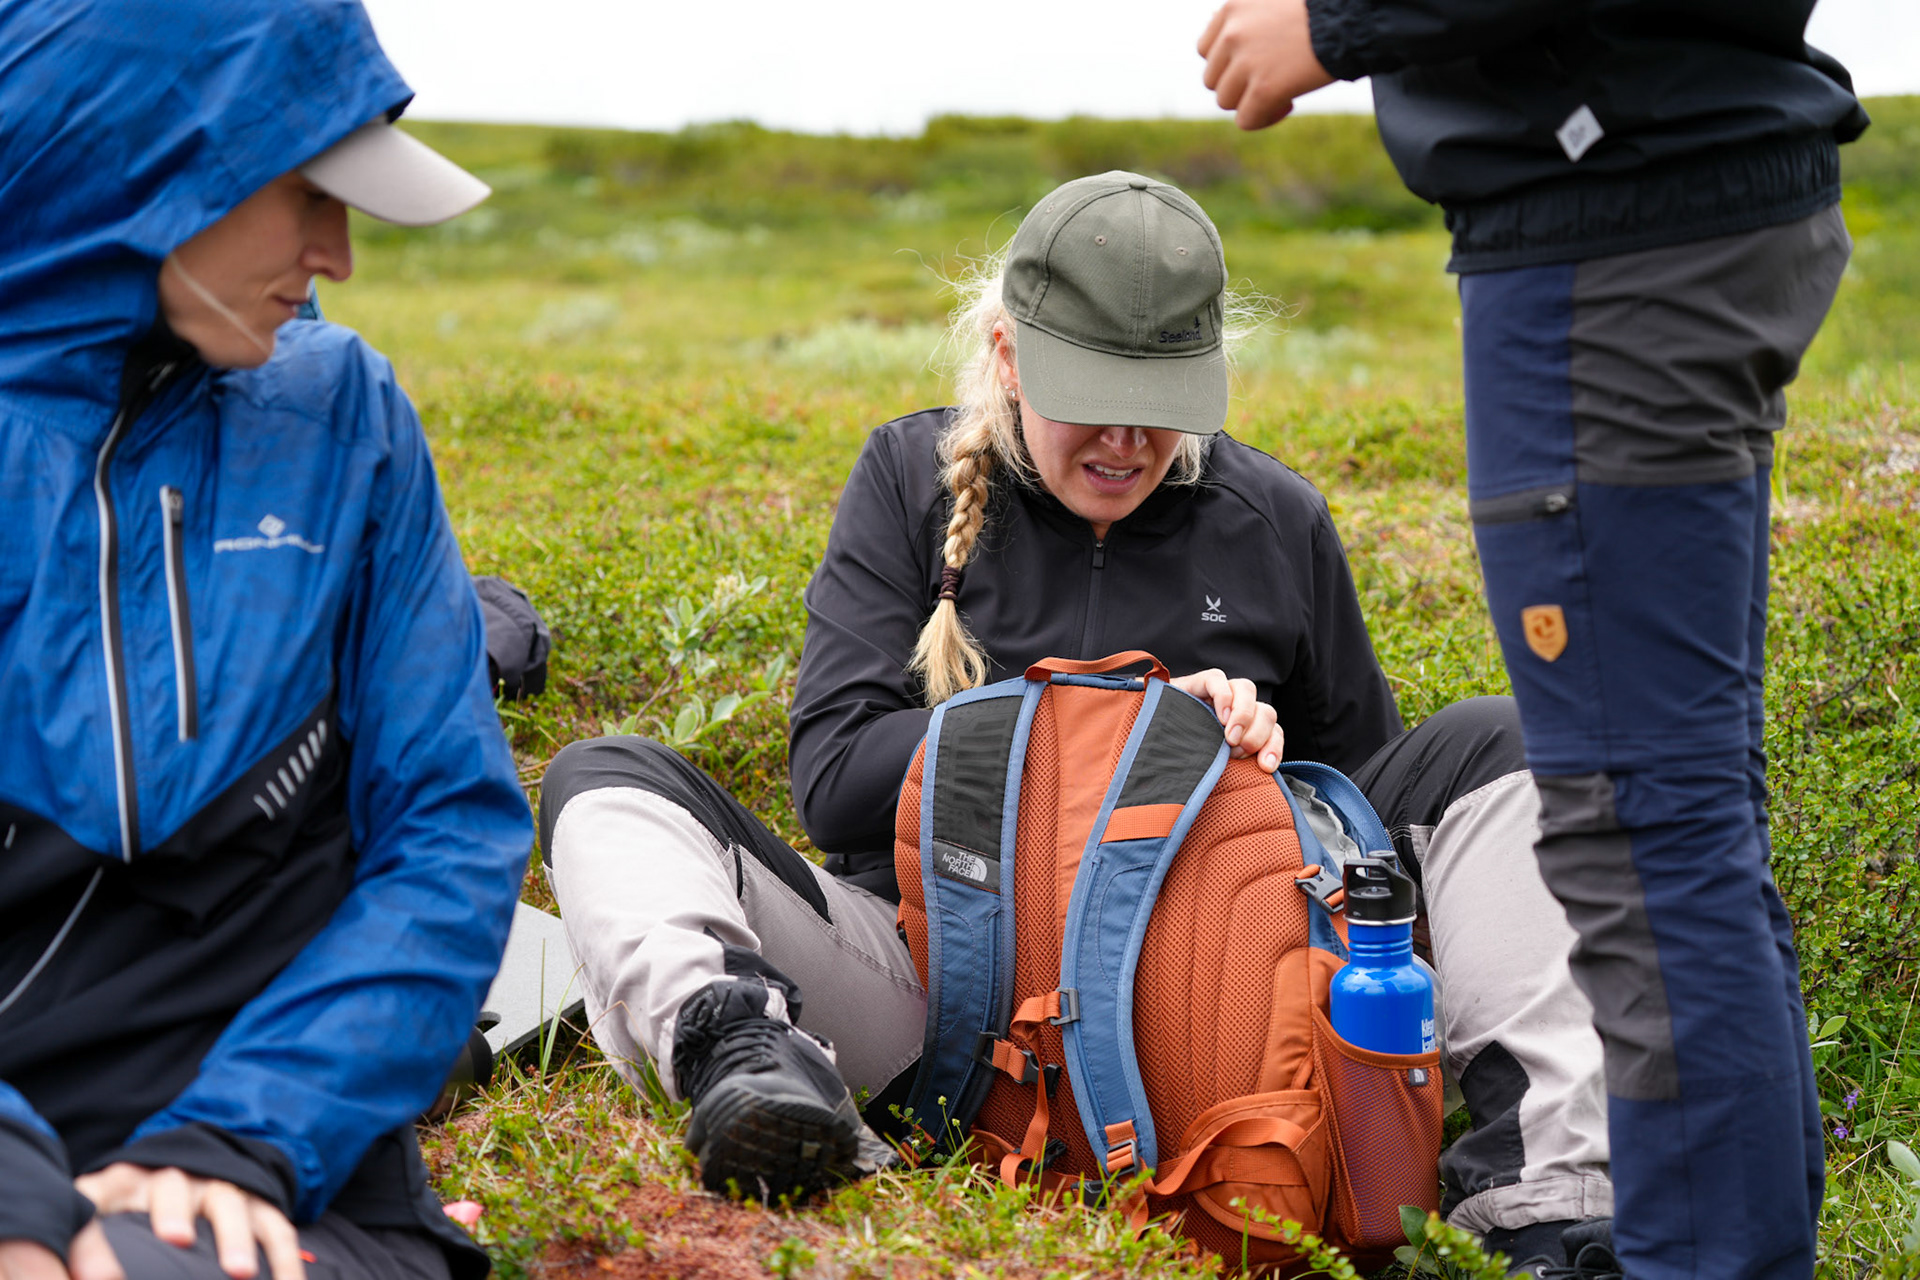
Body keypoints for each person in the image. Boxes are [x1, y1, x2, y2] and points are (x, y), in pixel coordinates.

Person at [540, 171, 1612, 1270]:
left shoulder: (1274, 517)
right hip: (924, 1002)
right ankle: (742, 1054)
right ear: (1008, 356)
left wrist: (1257, 768)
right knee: (604, 777)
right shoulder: (907, 478)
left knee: (1502, 745)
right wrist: (1121, 726)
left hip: (1213, 1018)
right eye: (1090, 392)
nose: (1126, 437)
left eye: (1160, 398)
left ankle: (1548, 1209)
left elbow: (1362, 827)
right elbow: (836, 777)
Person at [1196, 4, 1863, 1277]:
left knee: (1636, 829)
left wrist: (1339, 25)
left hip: (1608, 228)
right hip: (1675, 180)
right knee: (1686, 809)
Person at [0, 3, 531, 1279]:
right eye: (307, 192)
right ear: (144, 165)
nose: (337, 253)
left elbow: (449, 827)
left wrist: (244, 1133)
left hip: (280, 1174)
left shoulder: (345, 417)